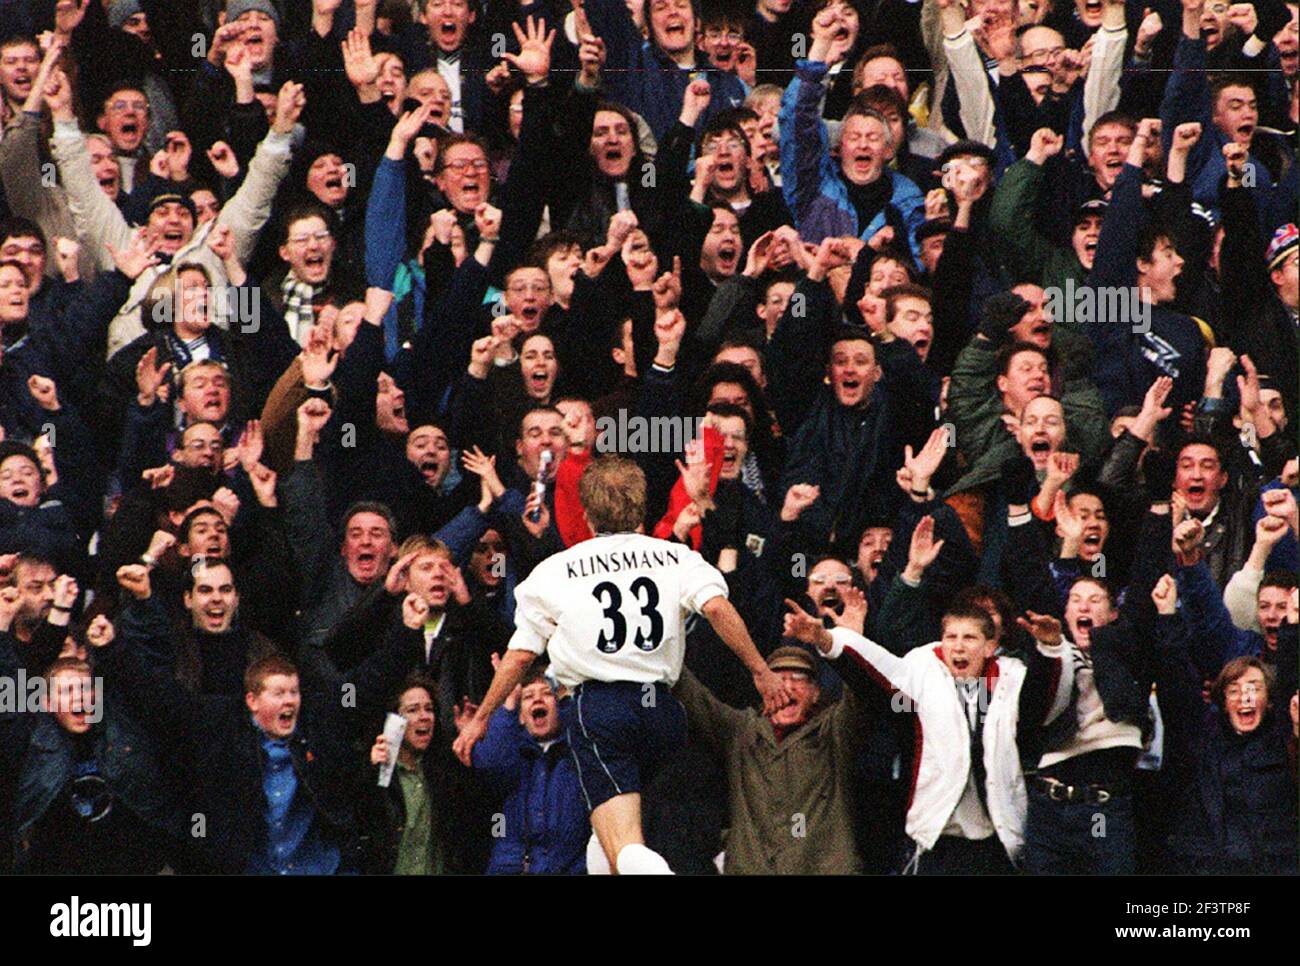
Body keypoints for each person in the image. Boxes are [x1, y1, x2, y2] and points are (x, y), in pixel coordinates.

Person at [452, 455, 791, 874]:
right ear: (640, 508)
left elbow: (521, 654)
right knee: (604, 838)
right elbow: (718, 609)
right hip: (664, 715)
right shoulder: (674, 557)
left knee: (625, 843)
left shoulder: (556, 571)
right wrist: (761, 670)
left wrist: (481, 718)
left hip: (600, 712)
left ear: (587, 513)